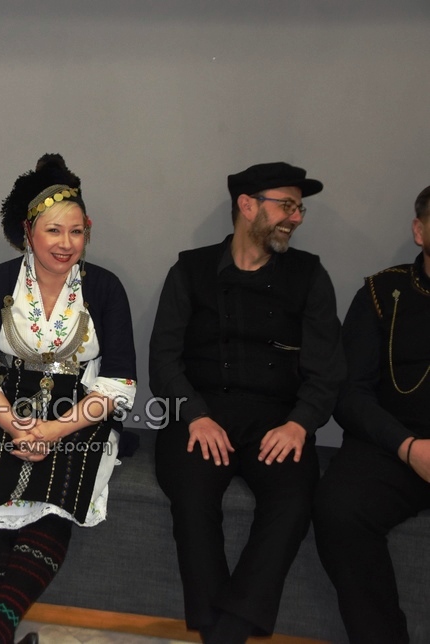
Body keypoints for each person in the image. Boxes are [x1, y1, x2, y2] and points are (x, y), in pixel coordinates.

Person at [148, 161, 345, 643]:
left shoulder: (309, 275)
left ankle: (227, 630)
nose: (296, 218)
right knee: (192, 498)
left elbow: (327, 370)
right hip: (202, 413)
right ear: (247, 206)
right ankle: (224, 631)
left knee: (294, 500)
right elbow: (163, 359)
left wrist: (300, 424)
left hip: (278, 420)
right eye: (287, 206)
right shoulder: (190, 270)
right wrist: (194, 415)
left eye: (299, 209)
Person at [0, 154, 137, 644]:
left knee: (54, 501)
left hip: (78, 411)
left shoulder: (105, 287)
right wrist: (14, 425)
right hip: (2, 405)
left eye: (76, 232)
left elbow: (120, 382)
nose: (65, 243)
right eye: (53, 231)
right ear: (28, 232)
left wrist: (53, 431)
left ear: (87, 232)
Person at [313, 185, 430, 643]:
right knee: (339, 510)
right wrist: (409, 448)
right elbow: (350, 394)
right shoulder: (383, 292)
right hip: (392, 445)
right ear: (419, 231)